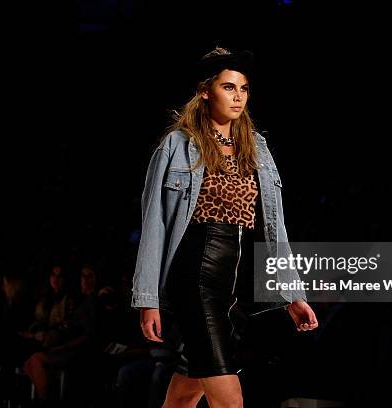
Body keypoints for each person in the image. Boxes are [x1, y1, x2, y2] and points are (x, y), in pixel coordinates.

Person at [131, 47, 319, 408]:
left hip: (233, 288)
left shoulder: (257, 149)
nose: (238, 97)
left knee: (185, 393)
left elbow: (276, 229)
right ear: (205, 91)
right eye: (229, 87)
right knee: (229, 400)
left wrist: (293, 294)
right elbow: (154, 223)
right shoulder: (178, 145)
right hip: (194, 280)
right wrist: (148, 300)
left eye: (244, 89)